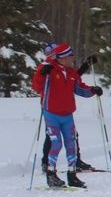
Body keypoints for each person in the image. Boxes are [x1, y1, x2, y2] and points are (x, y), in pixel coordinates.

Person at [32, 43, 101, 188]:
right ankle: (51, 174)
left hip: (67, 114)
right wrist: (41, 74)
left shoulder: (70, 73)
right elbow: (37, 87)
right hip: (51, 113)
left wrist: (93, 90)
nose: (72, 58)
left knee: (71, 144)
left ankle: (72, 175)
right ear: (62, 57)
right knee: (56, 143)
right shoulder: (49, 69)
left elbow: (80, 88)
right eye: (70, 56)